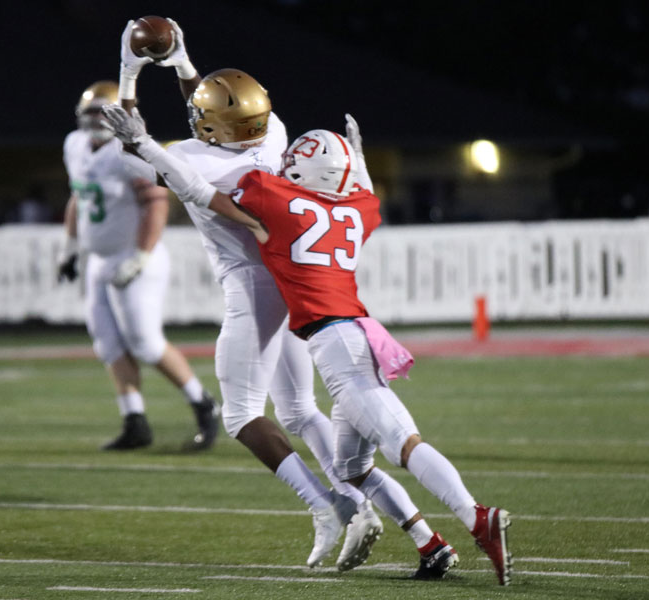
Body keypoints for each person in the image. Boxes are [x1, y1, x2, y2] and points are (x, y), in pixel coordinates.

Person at [101, 106, 513, 585]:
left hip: (337, 347)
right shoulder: (359, 207)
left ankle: (476, 515)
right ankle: (430, 543)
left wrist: (146, 145)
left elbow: (195, 189)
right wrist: (355, 156)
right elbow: (362, 189)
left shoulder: (277, 204)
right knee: (351, 466)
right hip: (361, 335)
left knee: (403, 444)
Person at [115, 19, 382, 569]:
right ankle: (362, 504)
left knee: (239, 415)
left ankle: (330, 506)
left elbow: (135, 139)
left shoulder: (192, 156)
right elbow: (214, 112)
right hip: (290, 281)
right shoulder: (275, 134)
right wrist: (185, 64)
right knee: (299, 407)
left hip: (250, 286)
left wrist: (131, 69)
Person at [58, 80, 220, 452]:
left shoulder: (128, 150)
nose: (97, 119)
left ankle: (203, 403)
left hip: (135, 258)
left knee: (145, 343)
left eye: (105, 111)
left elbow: (157, 203)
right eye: (91, 112)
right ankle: (135, 421)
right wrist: (68, 249)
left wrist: (141, 256)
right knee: (109, 344)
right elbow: (78, 197)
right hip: (99, 259)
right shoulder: (74, 145)